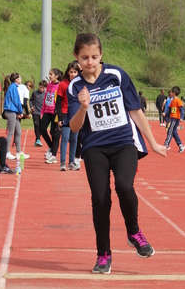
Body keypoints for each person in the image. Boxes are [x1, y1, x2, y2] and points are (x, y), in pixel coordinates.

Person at [68, 32, 166, 274]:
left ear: (101, 55)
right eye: (84, 58)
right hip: (94, 147)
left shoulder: (117, 75)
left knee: (124, 185)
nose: (90, 62)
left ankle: (134, 232)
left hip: (124, 143)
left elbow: (135, 112)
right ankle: (103, 254)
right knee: (100, 199)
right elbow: (74, 126)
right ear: (76, 58)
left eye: (94, 57)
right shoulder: (75, 86)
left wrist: (153, 143)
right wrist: (82, 107)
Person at [56, 62, 81, 171]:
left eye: (75, 72)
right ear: (67, 72)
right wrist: (60, 117)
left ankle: (71, 162)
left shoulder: (80, 84)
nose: (73, 74)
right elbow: (58, 101)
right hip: (65, 114)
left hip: (76, 114)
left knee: (74, 139)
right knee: (65, 138)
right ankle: (62, 163)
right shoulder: (63, 84)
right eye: (71, 72)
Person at [3, 73, 29, 161]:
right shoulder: (13, 88)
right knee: (11, 132)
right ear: (16, 80)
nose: (21, 79)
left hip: (14, 111)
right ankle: (6, 152)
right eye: (20, 78)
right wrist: (20, 111)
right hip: (11, 111)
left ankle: (18, 151)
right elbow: (16, 101)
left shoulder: (14, 87)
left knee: (19, 131)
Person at [41, 68, 62, 164]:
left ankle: (53, 155)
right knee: (42, 129)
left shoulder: (60, 86)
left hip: (55, 113)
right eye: (49, 74)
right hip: (47, 111)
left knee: (55, 134)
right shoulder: (49, 85)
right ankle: (51, 146)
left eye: (51, 74)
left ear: (56, 76)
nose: (49, 76)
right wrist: (42, 112)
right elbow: (45, 98)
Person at [164, 86, 185, 153]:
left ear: (174, 93)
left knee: (170, 131)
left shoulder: (178, 101)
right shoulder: (172, 100)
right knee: (174, 132)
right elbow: (169, 108)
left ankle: (166, 145)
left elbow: (182, 109)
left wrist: (181, 118)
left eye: (171, 92)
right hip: (172, 118)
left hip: (175, 118)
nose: (170, 93)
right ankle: (180, 145)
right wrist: (165, 113)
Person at [29, 79, 47, 146]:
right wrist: (31, 107)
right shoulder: (35, 93)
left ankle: (38, 139)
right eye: (40, 87)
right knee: (37, 125)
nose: (41, 89)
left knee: (42, 127)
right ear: (39, 86)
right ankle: (38, 139)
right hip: (35, 112)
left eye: (43, 88)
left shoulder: (46, 94)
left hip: (43, 112)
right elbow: (30, 100)